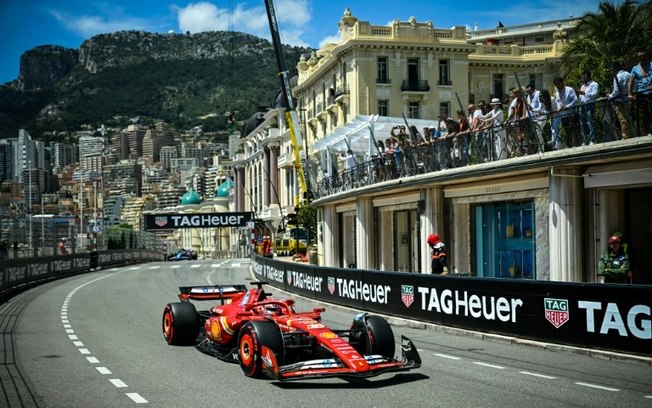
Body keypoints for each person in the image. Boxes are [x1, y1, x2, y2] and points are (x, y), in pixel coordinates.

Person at [628, 50, 652, 136]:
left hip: (651, 93)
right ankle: (647, 132)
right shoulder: (635, 68)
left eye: (644, 56)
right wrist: (630, 94)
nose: (642, 58)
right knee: (645, 113)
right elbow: (630, 81)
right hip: (641, 93)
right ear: (637, 58)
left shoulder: (651, 65)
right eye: (640, 56)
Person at [608, 61, 633, 139]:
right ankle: (629, 134)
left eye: (612, 70)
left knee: (622, 119)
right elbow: (634, 84)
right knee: (628, 118)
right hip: (628, 99)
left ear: (615, 69)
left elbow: (616, 90)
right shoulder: (628, 74)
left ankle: (625, 136)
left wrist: (610, 96)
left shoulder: (617, 77)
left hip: (619, 101)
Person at [553, 76, 579, 147]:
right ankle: (570, 146)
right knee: (567, 132)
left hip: (572, 114)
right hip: (563, 115)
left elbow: (576, 100)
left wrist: (567, 106)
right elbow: (558, 102)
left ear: (562, 83)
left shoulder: (569, 89)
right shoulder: (557, 92)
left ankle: (577, 145)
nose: (557, 86)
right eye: (556, 85)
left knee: (574, 131)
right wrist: (559, 108)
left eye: (558, 84)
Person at [577, 70, 599, 145]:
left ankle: (593, 139)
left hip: (590, 105)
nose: (583, 78)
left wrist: (584, 93)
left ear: (589, 76)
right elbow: (580, 97)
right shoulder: (582, 86)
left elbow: (594, 95)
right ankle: (584, 140)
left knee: (590, 122)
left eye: (584, 77)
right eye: (582, 77)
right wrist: (578, 95)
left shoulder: (594, 84)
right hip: (582, 105)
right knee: (582, 124)